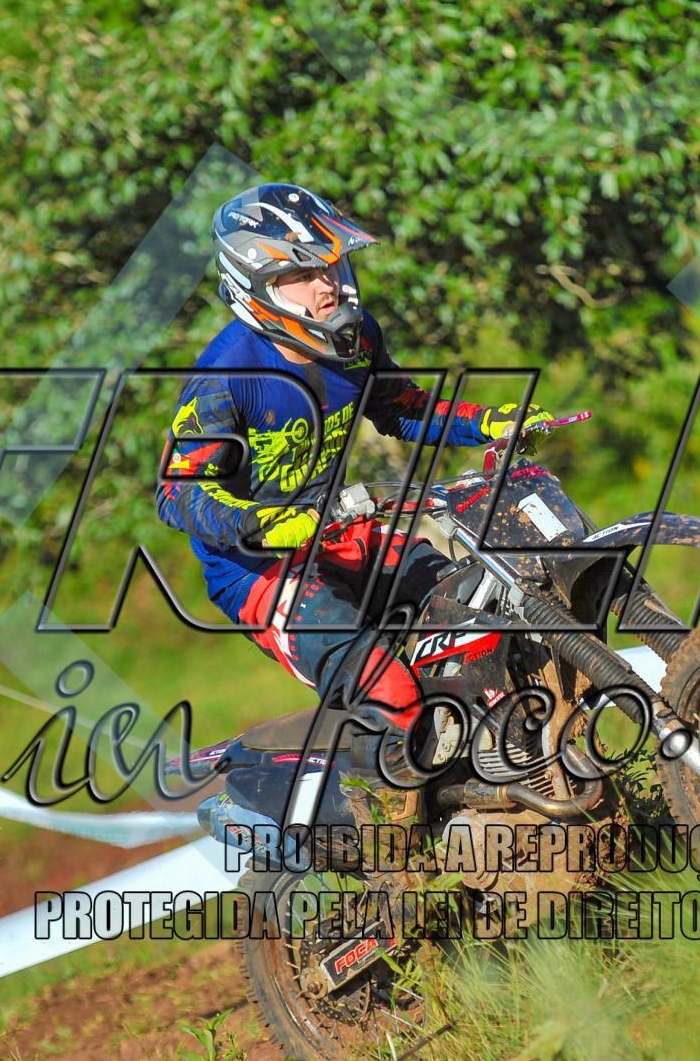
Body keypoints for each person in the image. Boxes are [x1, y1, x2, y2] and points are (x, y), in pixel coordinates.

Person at [156, 182, 546, 754]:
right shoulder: (225, 378)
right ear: (257, 286)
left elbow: (401, 407)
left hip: (343, 532)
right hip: (259, 572)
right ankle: (377, 801)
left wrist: (488, 422)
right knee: (393, 697)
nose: (328, 285)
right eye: (303, 274)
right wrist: (264, 525)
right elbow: (177, 494)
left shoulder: (356, 339)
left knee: (478, 607)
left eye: (331, 266)